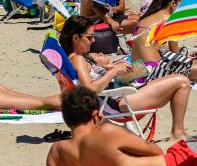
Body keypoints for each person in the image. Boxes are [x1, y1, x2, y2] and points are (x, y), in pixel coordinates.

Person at [60, 15, 191, 140]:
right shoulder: (78, 59)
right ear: (76, 38)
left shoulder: (75, 58)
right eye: (89, 37)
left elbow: (88, 79)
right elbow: (89, 89)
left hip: (116, 97)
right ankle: (177, 132)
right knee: (182, 81)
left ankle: (177, 131)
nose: (93, 40)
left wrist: (109, 68)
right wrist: (114, 71)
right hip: (119, 102)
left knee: (176, 78)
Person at [47, 86, 197, 166]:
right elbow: (156, 151)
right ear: (95, 115)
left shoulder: (57, 151)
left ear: (67, 120)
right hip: (178, 162)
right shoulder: (106, 132)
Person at [131, 0, 197, 81]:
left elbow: (151, 47)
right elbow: (174, 54)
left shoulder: (144, 19)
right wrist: (188, 57)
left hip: (136, 71)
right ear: (173, 4)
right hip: (152, 72)